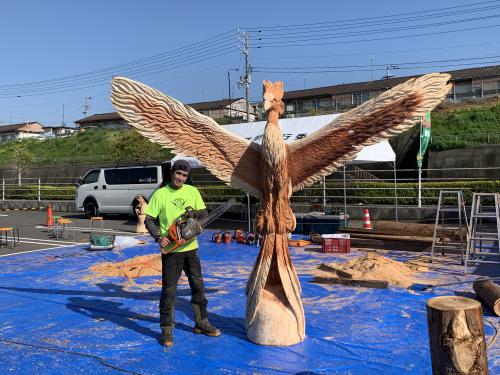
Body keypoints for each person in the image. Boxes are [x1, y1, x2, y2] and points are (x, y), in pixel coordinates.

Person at [144, 159, 221, 347]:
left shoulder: (192, 191)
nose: (180, 178)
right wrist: (158, 236)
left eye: (184, 175)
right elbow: (149, 220)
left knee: (198, 286)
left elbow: (203, 211)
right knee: (169, 291)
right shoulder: (160, 194)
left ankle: (201, 322)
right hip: (171, 250)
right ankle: (167, 329)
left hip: (191, 247)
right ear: (172, 173)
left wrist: (195, 215)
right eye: (178, 174)